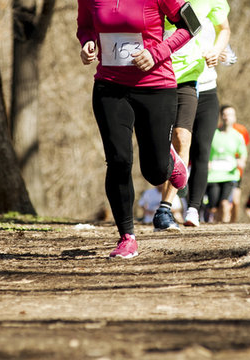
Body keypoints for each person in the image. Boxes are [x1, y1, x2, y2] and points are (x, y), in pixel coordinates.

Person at [77, 0, 192, 258]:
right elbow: (84, 26)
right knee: (118, 161)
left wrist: (158, 52)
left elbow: (190, 26)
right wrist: (86, 43)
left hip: (156, 85)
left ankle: (170, 161)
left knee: (154, 172)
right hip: (109, 86)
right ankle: (126, 237)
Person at [154, 0, 232, 231]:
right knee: (158, 152)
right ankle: (179, 181)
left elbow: (224, 29)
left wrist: (217, 51)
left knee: (193, 144)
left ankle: (188, 207)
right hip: (159, 80)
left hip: (196, 83)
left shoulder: (212, 2)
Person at [204, 105, 247, 223]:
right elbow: (206, 150)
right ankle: (215, 226)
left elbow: (243, 153)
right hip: (213, 176)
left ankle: (223, 227)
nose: (227, 117)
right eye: (225, 114)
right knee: (213, 207)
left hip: (230, 175)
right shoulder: (213, 134)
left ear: (235, 117)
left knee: (224, 203)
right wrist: (206, 162)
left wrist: (242, 161)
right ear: (221, 116)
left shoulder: (238, 136)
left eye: (230, 114)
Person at [227, 120, 250, 223]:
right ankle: (224, 222)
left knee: (235, 201)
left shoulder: (241, 130)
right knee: (225, 202)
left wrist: (241, 161)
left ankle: (233, 223)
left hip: (236, 171)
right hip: (222, 171)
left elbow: (244, 148)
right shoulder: (218, 130)